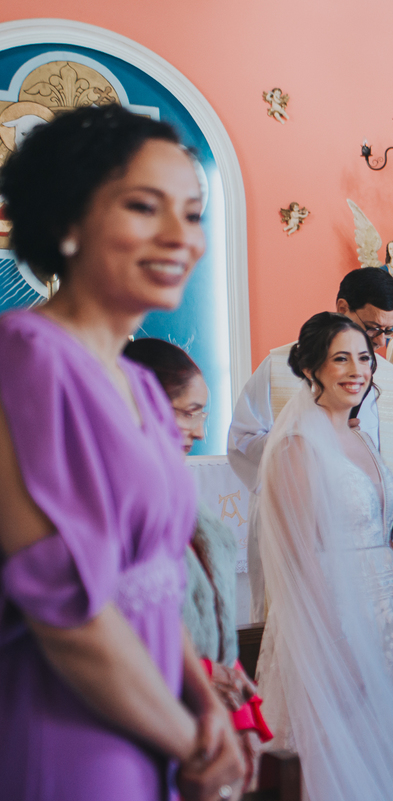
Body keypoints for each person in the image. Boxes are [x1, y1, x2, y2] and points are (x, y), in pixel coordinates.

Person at [0, 104, 244, 801]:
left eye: (193, 213)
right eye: (145, 207)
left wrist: (204, 705)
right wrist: (189, 737)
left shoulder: (139, 382)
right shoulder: (26, 358)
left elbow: (159, 575)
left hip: (158, 703)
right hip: (72, 721)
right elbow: (66, 610)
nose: (181, 236)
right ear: (67, 221)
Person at [251, 312, 393, 800]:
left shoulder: (359, 435)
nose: (357, 370)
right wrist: (335, 645)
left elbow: (378, 533)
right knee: (333, 754)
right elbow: (303, 560)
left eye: (363, 358)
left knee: (378, 748)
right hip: (330, 623)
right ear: (312, 368)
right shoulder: (297, 447)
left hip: (382, 620)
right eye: (340, 359)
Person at [227, 267, 393, 624]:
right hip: (302, 545)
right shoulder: (278, 368)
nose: (380, 343)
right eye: (373, 327)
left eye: (390, 330)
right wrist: (311, 440)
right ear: (343, 307)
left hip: (374, 551)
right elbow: (242, 441)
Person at [124, 337, 275, 783]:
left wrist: (238, 710)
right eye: (188, 411)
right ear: (143, 404)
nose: (201, 429)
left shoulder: (181, 490)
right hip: (149, 703)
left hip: (206, 701)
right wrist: (201, 675)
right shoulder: (116, 499)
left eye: (202, 413)